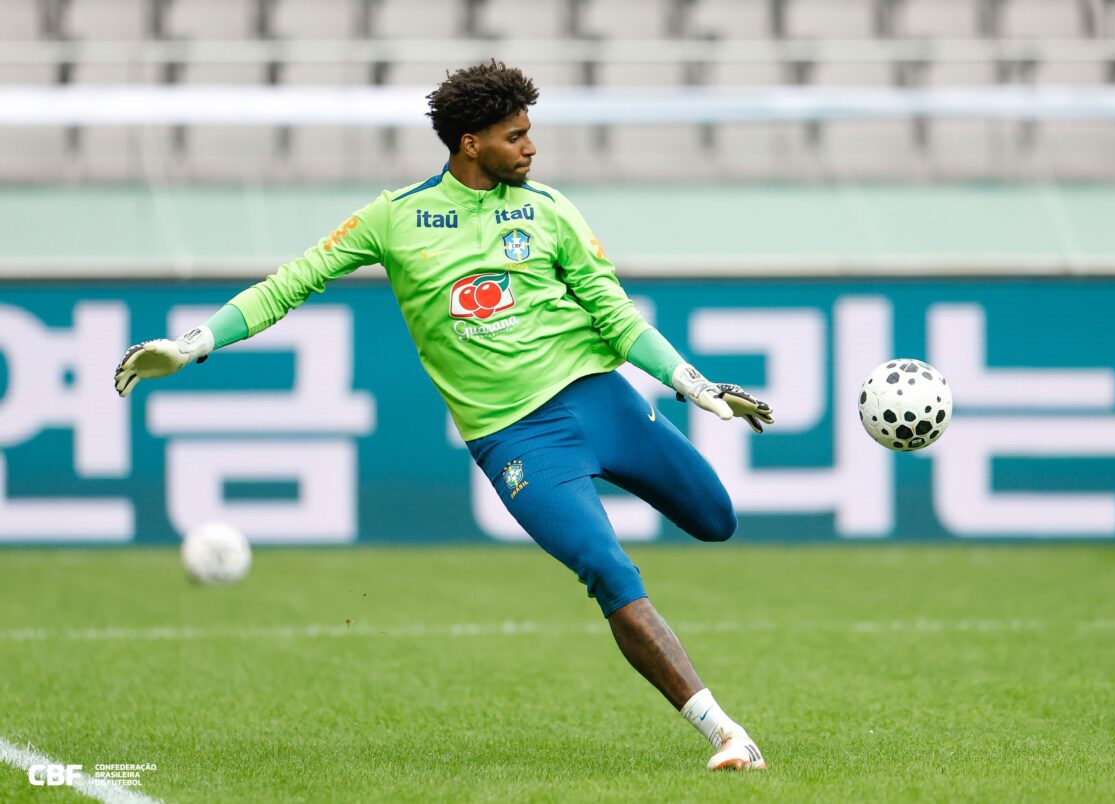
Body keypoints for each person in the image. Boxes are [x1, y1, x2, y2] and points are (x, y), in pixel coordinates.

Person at [114, 61, 773, 771]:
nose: (531, 148)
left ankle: (721, 716)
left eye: (530, 133)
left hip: (600, 399)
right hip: (518, 441)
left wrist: (688, 381)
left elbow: (612, 313)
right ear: (469, 143)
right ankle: (726, 733)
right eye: (515, 136)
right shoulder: (393, 219)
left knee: (716, 519)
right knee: (608, 571)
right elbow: (289, 284)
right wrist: (195, 343)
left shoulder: (549, 209)